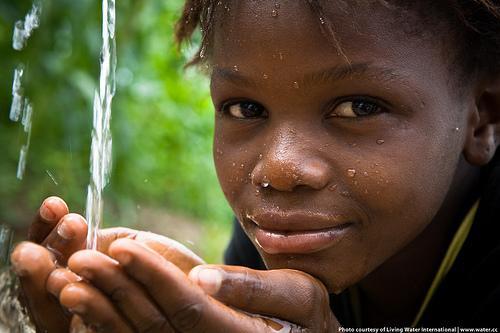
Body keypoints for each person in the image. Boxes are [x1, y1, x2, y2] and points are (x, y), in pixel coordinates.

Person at [9, 0, 500, 331]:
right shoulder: (288, 232)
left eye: (359, 108)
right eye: (247, 109)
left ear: (485, 118)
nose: (279, 168)